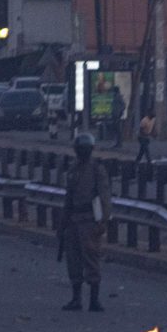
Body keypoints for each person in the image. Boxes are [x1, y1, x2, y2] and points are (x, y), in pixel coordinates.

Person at [60, 131, 111, 311]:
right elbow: (68, 198)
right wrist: (63, 222)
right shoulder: (73, 169)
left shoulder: (97, 170)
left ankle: (94, 300)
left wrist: (102, 221)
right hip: (74, 219)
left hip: (89, 221)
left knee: (91, 259)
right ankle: (76, 298)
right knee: (73, 261)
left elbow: (104, 197)